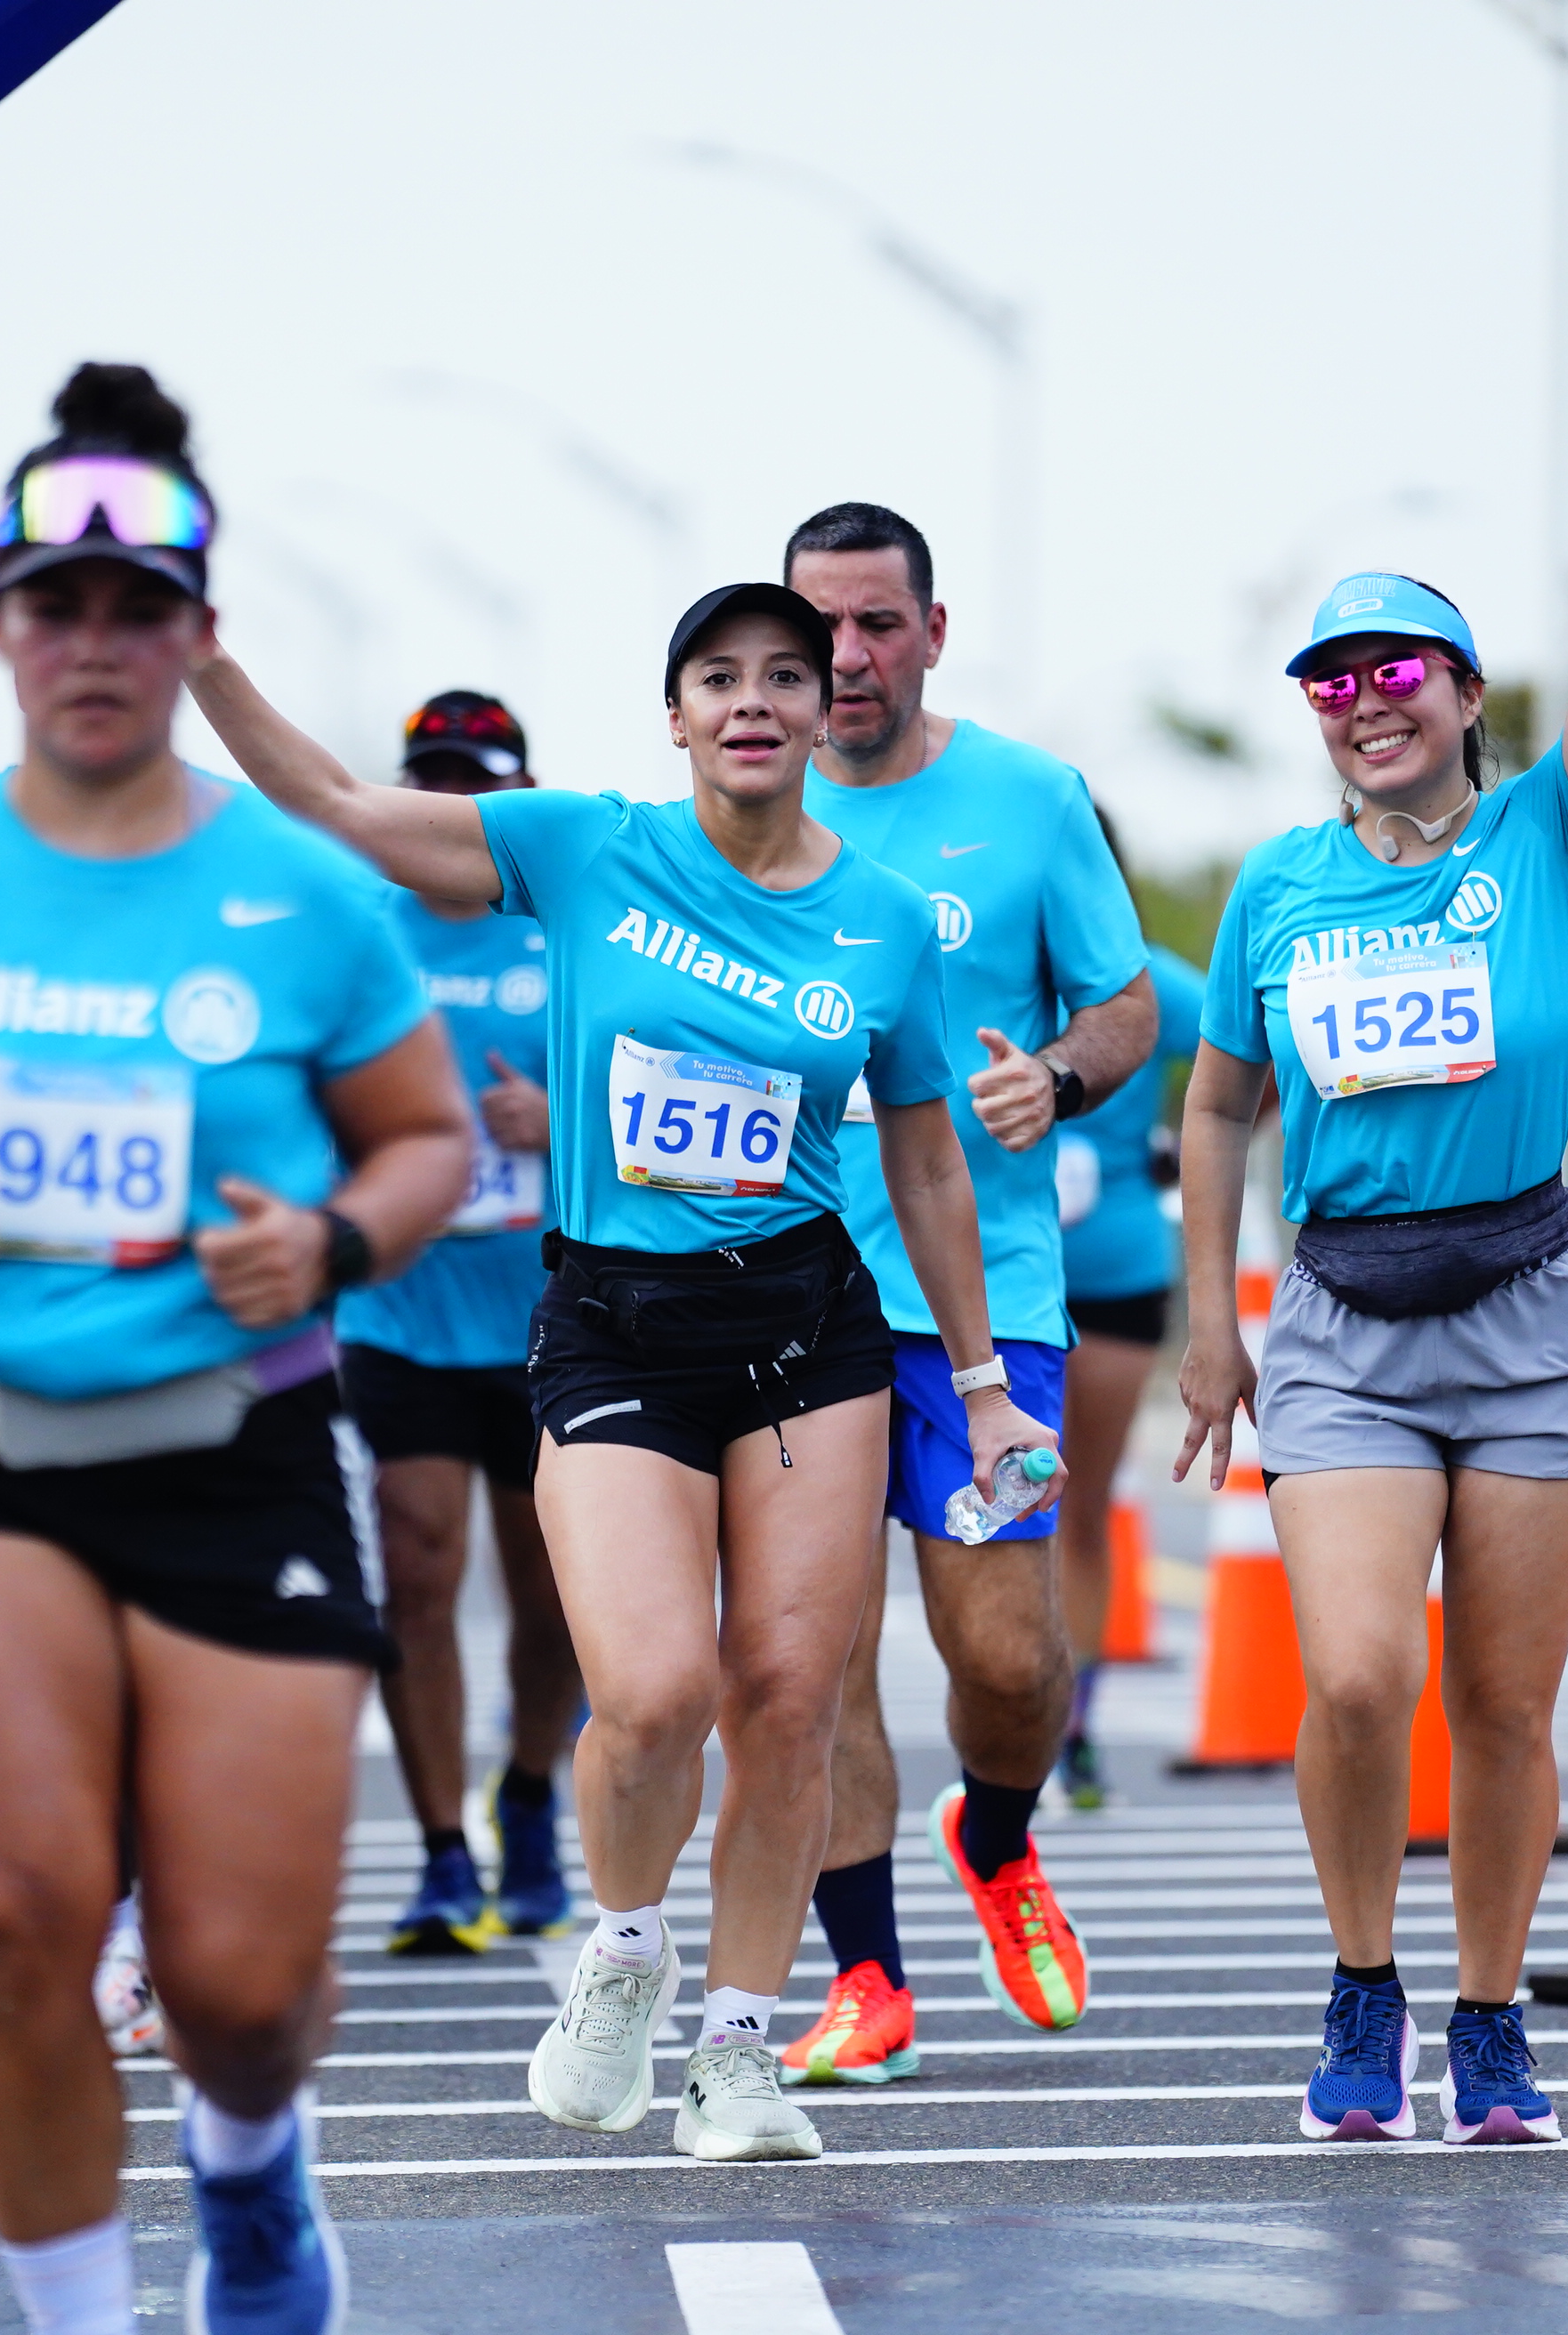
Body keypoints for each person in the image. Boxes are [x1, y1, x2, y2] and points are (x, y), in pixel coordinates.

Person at [0, 364, 472, 2335]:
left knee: (237, 1987)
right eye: (55, 602)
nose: (94, 641)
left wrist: (327, 1236)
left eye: (138, 607)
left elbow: (430, 1143)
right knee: (10, 1920)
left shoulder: (305, 891)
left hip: (235, 1445)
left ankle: (249, 2165)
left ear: (199, 634)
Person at [185, 579, 1051, 2167]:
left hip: (808, 1326)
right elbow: (328, 801)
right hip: (612, 1320)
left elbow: (924, 1155)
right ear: (674, 715)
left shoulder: (881, 920)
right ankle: (626, 1947)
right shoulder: (585, 845)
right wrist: (207, 657)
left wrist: (984, 1379)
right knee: (651, 1693)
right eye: (717, 676)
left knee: (787, 1702)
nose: (753, 700)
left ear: (823, 707)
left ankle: (735, 2046)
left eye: (786, 675)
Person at [1176, 327, 1568, 2147]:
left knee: (1505, 1709)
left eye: (1397, 670)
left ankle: (1493, 2016)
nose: (1365, 699)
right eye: (1334, 679)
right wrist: (1216, 1318)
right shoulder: (1278, 889)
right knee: (1360, 1679)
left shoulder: (1548, 834)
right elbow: (1220, 1104)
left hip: (1533, 1315)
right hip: (1347, 1327)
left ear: (1461, 692)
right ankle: (1365, 1987)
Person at [774, 504, 1156, 2088]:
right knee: (814, 1655)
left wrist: (1054, 1079)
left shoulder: (1028, 799)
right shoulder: (735, 804)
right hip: (777, 1292)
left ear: (932, 631)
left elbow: (1128, 1002)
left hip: (979, 1302)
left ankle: (995, 1832)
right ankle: (868, 1973)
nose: (844, 660)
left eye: (875, 625)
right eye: (817, 633)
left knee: (1004, 1653)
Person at [340, 691, 586, 1953]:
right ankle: (442, 1851)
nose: (446, 805)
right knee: (417, 1564)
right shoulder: (359, 928)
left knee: (548, 1589)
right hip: (401, 1307)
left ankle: (531, 1794)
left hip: (548, 1315)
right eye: (427, 781)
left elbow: (651, 1084)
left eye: (471, 785)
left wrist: (559, 1125)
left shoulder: (565, 925)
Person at [1049, 812, 1208, 1812]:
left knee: (1056, 1509)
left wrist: (1199, 1140)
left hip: (1098, 1270)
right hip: (984, 1274)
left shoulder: (1143, 976)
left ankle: (1064, 1722)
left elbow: (1261, 1046)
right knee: (1065, 1515)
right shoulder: (1139, 970)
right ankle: (1062, 1728)